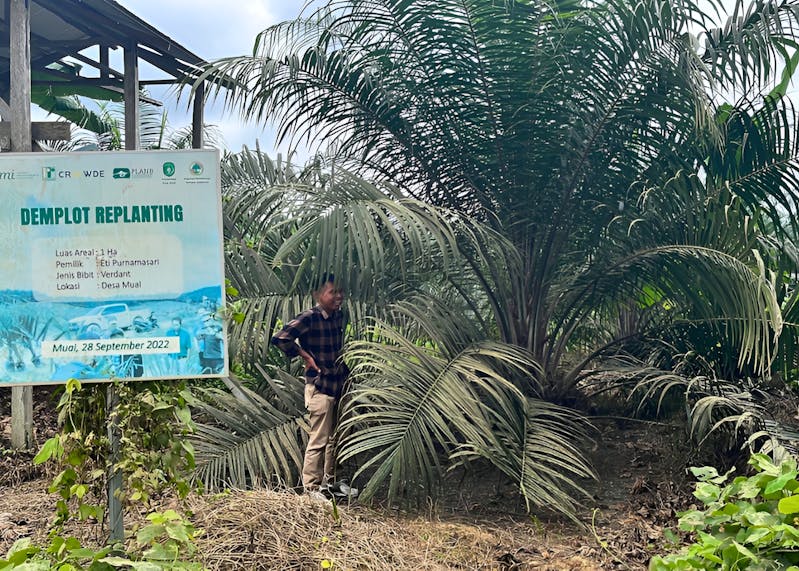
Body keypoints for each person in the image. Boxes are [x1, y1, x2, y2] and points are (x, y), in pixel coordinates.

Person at [271, 275, 348, 496]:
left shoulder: (337, 316)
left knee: (335, 437)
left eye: (340, 291)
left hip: (338, 382)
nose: (339, 296)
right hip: (320, 384)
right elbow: (281, 338)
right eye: (332, 292)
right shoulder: (309, 317)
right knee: (319, 438)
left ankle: (329, 484)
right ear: (317, 294)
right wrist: (304, 355)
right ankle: (311, 488)